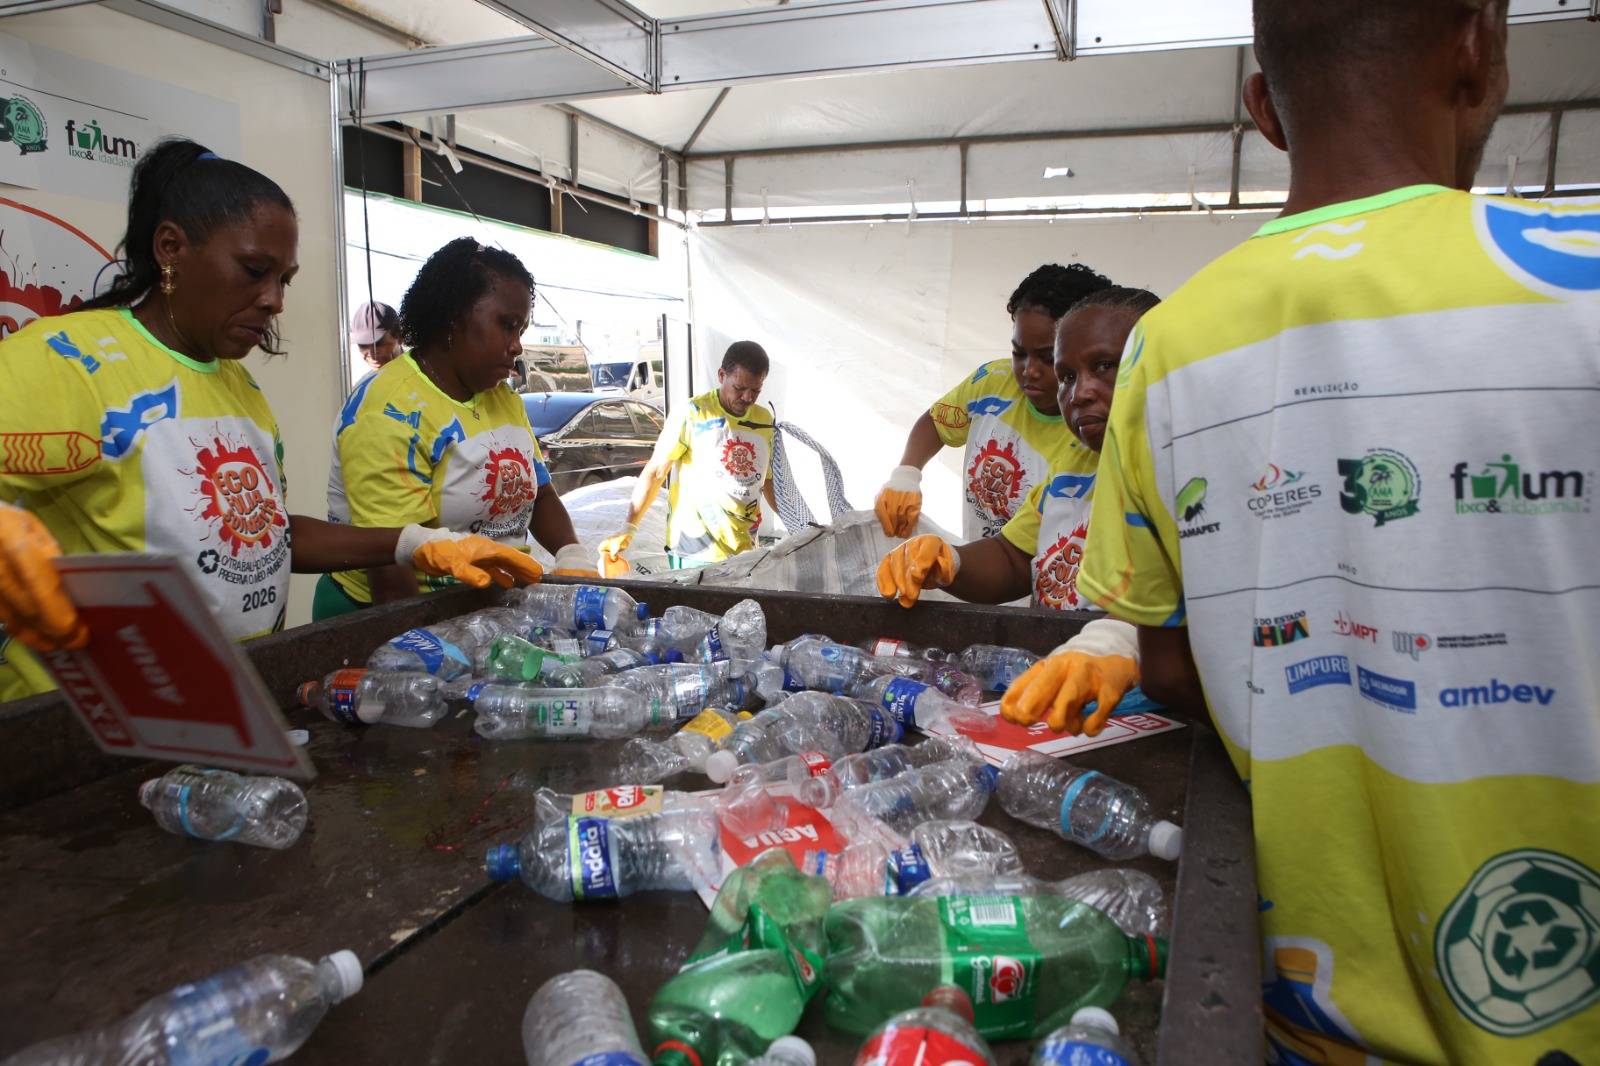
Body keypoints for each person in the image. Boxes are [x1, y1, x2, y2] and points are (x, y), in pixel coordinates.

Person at [1014, 2, 1600, 1061]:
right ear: (1478, 49)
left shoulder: (1167, 350)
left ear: (1263, 110)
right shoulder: (1578, 277)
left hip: (1304, 1022)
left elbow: (1173, 670)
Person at [0, 139, 542, 702]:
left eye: (284, 279)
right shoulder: (64, 358)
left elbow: (270, 536)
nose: (275, 301)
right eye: (255, 271)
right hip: (84, 713)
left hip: (221, 699)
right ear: (171, 248)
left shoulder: (240, 389)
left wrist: (414, 542)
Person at [317, 238, 595, 620]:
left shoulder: (502, 397)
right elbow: (392, 579)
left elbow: (541, 494)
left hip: (487, 605)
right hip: (396, 613)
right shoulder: (390, 411)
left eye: (521, 330)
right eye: (507, 326)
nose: (517, 346)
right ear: (453, 318)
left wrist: (572, 554)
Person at [876, 287, 1159, 614]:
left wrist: (1118, 637)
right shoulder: (1075, 463)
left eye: (1105, 366)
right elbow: (1013, 558)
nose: (1079, 393)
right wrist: (948, 560)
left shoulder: (1180, 471)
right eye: (1067, 376)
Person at [873, 263, 1112, 542]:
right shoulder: (992, 382)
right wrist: (906, 475)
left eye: (1048, 358)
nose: (1029, 371)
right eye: (1019, 353)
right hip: (979, 560)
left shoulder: (1093, 435)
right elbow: (936, 423)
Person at [599, 341, 777, 571]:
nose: (747, 397)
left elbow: (767, 479)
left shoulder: (764, 420)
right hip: (695, 549)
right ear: (721, 375)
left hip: (744, 548)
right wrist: (629, 527)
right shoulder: (692, 414)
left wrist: (797, 525)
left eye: (755, 391)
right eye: (739, 388)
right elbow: (656, 471)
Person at [350, 300, 402, 374]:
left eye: (378, 343)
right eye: (362, 345)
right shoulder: (369, 380)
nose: (371, 354)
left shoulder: (417, 374)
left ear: (400, 337)